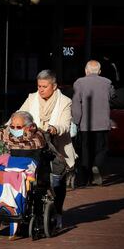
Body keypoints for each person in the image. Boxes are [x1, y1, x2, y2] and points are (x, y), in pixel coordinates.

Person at [17, 69, 77, 229]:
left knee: (57, 182)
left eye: (44, 86)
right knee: (32, 179)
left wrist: (54, 129)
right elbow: (19, 115)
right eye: (39, 86)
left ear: (54, 86)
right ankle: (31, 211)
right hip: (34, 147)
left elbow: (65, 124)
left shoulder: (65, 101)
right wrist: (9, 125)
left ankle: (57, 213)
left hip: (57, 148)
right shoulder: (32, 98)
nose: (41, 89)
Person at [0, 111, 46, 239]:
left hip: (19, 172)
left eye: (19, 127)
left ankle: (9, 206)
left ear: (29, 127)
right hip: (1, 170)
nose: (14, 130)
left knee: (9, 181)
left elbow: (31, 163)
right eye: (12, 126)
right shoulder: (2, 136)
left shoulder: (36, 139)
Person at [72, 60, 115, 186]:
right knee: (102, 148)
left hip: (85, 124)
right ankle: (96, 165)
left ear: (86, 71)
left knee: (85, 150)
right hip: (102, 123)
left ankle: (85, 179)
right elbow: (112, 96)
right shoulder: (107, 82)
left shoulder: (79, 83)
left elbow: (76, 104)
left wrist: (76, 120)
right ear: (100, 72)